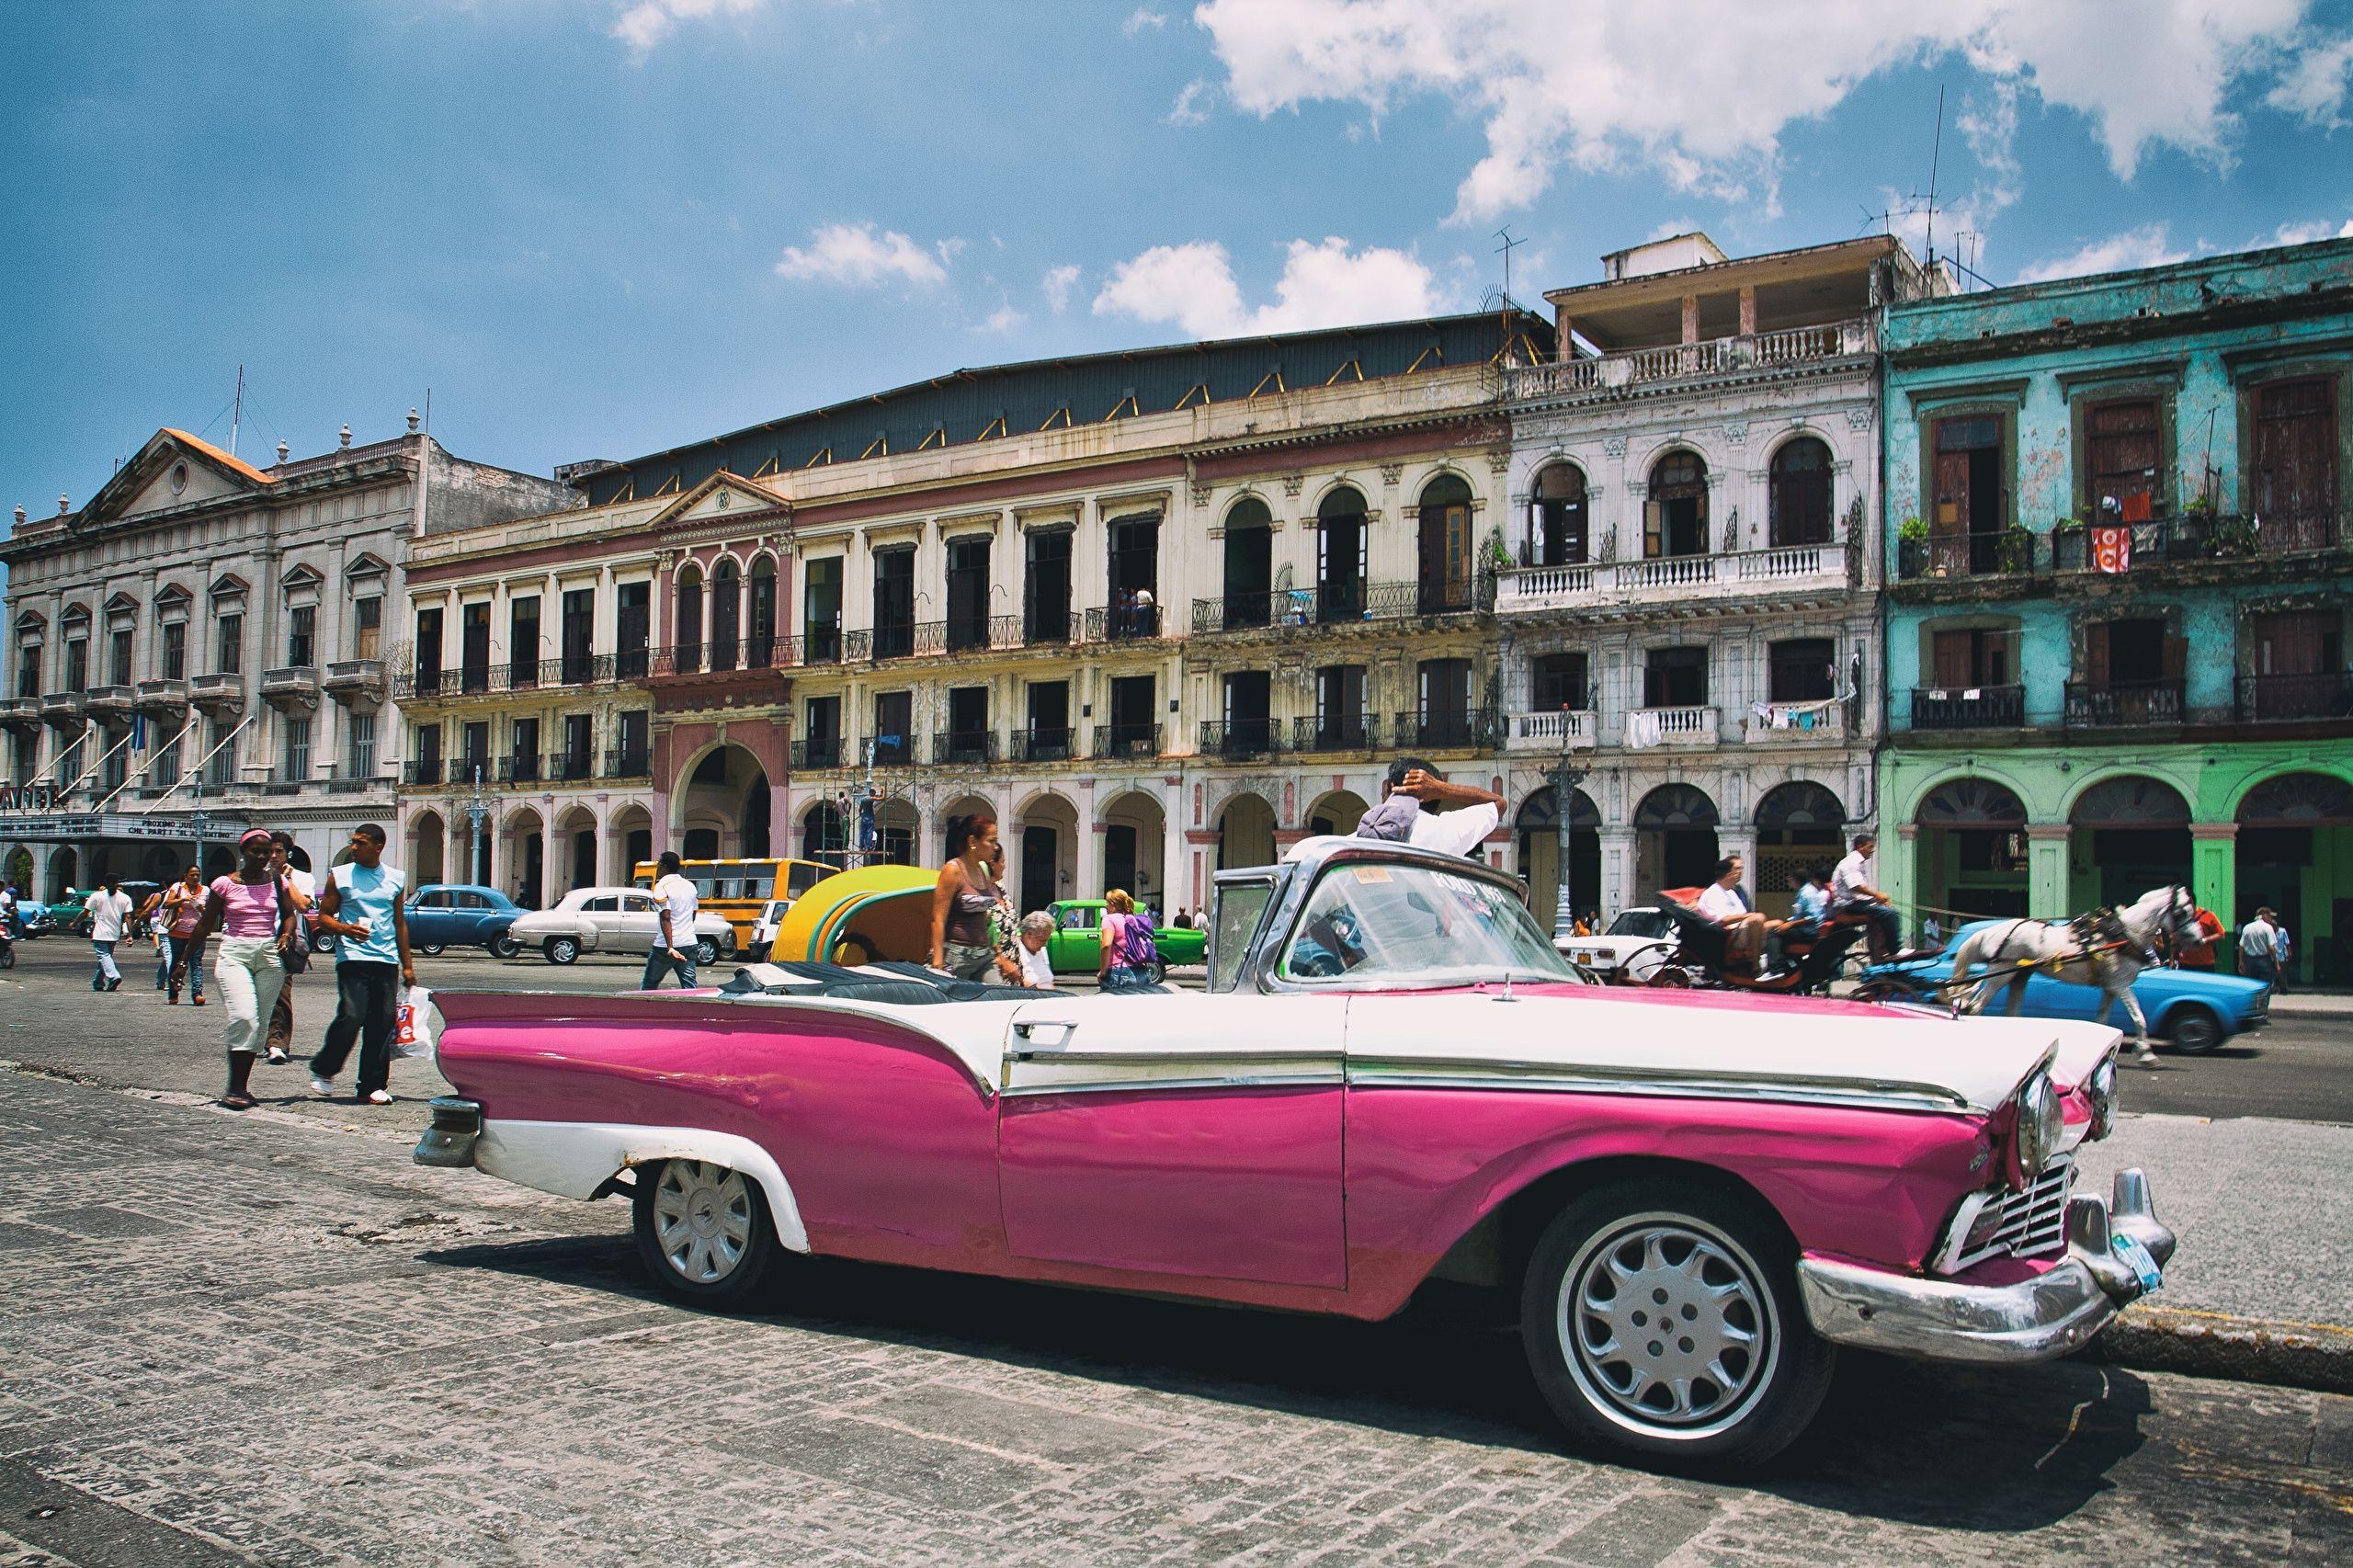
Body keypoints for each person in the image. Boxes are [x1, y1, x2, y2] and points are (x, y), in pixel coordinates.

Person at [184, 828, 299, 1110]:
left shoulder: (277, 881)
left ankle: (242, 1088)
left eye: (268, 851)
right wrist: (183, 962)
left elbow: (289, 917)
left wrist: (285, 935)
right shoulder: (224, 884)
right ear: (243, 853)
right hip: (235, 953)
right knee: (244, 1017)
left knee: (259, 1024)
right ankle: (234, 1087)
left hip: (269, 956)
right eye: (255, 851)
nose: (262, 856)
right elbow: (205, 922)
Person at [307, 824, 415, 1105]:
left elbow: (399, 923)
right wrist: (345, 929)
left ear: (378, 847)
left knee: (382, 1021)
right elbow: (324, 917)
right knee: (352, 1015)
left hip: (386, 958)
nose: (354, 848)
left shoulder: (395, 878)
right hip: (353, 957)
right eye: (353, 842)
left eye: (361, 843)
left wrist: (408, 966)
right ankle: (324, 1068)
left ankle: (372, 1085)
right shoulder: (340, 876)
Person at [928, 813, 1021, 983]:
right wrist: (938, 961)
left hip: (983, 955)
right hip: (957, 956)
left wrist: (999, 955)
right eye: (991, 841)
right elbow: (938, 919)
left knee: (996, 997)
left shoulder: (983, 870)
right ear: (973, 842)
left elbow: (985, 920)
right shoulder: (952, 870)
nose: (995, 847)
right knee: (953, 1004)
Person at [1353, 756, 1505, 858]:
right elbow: (1499, 804)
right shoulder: (1445, 831)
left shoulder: (1353, 842)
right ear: (1433, 795)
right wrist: (1442, 788)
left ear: (1390, 787)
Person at [262, 831, 316, 1065]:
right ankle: (261, 1039)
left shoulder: (303, 878)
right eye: (270, 851)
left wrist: (286, 880)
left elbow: (303, 905)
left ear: (288, 853)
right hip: (256, 939)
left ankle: (277, 1043)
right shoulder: (257, 876)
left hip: (283, 940)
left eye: (279, 851)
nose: (273, 856)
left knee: (280, 993)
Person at [1830, 832, 1901, 961]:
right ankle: (1895, 950)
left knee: (1888, 911)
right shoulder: (1851, 862)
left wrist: (1878, 900)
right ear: (1859, 847)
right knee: (1891, 914)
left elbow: (1859, 892)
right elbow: (1856, 887)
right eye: (1870, 847)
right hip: (1848, 906)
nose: (1872, 851)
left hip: (1855, 903)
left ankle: (1882, 951)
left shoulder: (1858, 863)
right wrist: (1877, 895)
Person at [1694, 858, 1774, 972]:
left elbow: (1743, 914)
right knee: (1758, 918)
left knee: (1776, 925)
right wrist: (1749, 916)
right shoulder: (1711, 893)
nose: (1738, 875)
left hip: (1742, 928)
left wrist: (1748, 916)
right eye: (1735, 872)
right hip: (1728, 934)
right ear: (1727, 875)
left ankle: (1775, 967)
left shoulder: (1731, 893)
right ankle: (1756, 965)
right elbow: (1722, 920)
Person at [642, 851, 700, 990]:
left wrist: (670, 947)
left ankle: (645, 1010)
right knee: (690, 987)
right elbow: (693, 914)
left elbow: (666, 916)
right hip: (689, 942)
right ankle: (694, 1011)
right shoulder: (689, 886)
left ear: (663, 866)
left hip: (665, 946)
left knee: (650, 983)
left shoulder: (661, 886)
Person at [162, 867, 209, 1005]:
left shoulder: (205, 891)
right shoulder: (177, 887)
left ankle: (197, 993)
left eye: (197, 875)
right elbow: (167, 903)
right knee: (177, 962)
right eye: (192, 875)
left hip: (197, 933)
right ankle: (173, 992)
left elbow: (210, 911)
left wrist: (201, 908)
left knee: (196, 963)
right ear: (186, 876)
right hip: (178, 932)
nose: (195, 877)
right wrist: (183, 899)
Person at [1097, 888, 1155, 992]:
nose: (1106, 905)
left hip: (1119, 971)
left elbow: (1106, 945)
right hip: (1142, 972)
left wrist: (1103, 972)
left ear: (1113, 904)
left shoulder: (1109, 919)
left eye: (1107, 902)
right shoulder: (1132, 920)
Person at [85, 876, 133, 992]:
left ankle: (114, 976)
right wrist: (129, 934)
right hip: (114, 934)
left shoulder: (97, 896)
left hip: (100, 934)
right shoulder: (125, 898)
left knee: (104, 957)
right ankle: (98, 982)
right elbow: (128, 917)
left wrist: (75, 922)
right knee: (106, 958)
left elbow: (85, 911)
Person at [1015, 910, 1057, 990]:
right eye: (1042, 940)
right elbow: (1021, 982)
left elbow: (1048, 978)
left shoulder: (1041, 950)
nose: (1045, 945)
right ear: (1029, 934)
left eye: (1046, 940)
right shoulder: (1016, 950)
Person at [2238, 907, 2279, 985]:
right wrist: (2276, 963)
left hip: (2249, 961)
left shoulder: (2247, 927)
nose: (2271, 919)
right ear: (2264, 915)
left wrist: (2241, 961)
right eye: (2270, 916)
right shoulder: (2268, 927)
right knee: (2264, 986)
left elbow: (2241, 946)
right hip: (2264, 960)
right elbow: (2271, 947)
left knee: (2251, 985)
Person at [2176, 905, 2224, 970]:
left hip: (2205, 963)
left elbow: (2221, 935)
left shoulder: (2208, 915)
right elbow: (2175, 940)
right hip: (2185, 963)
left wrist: (2204, 940)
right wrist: (2173, 959)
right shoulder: (2180, 917)